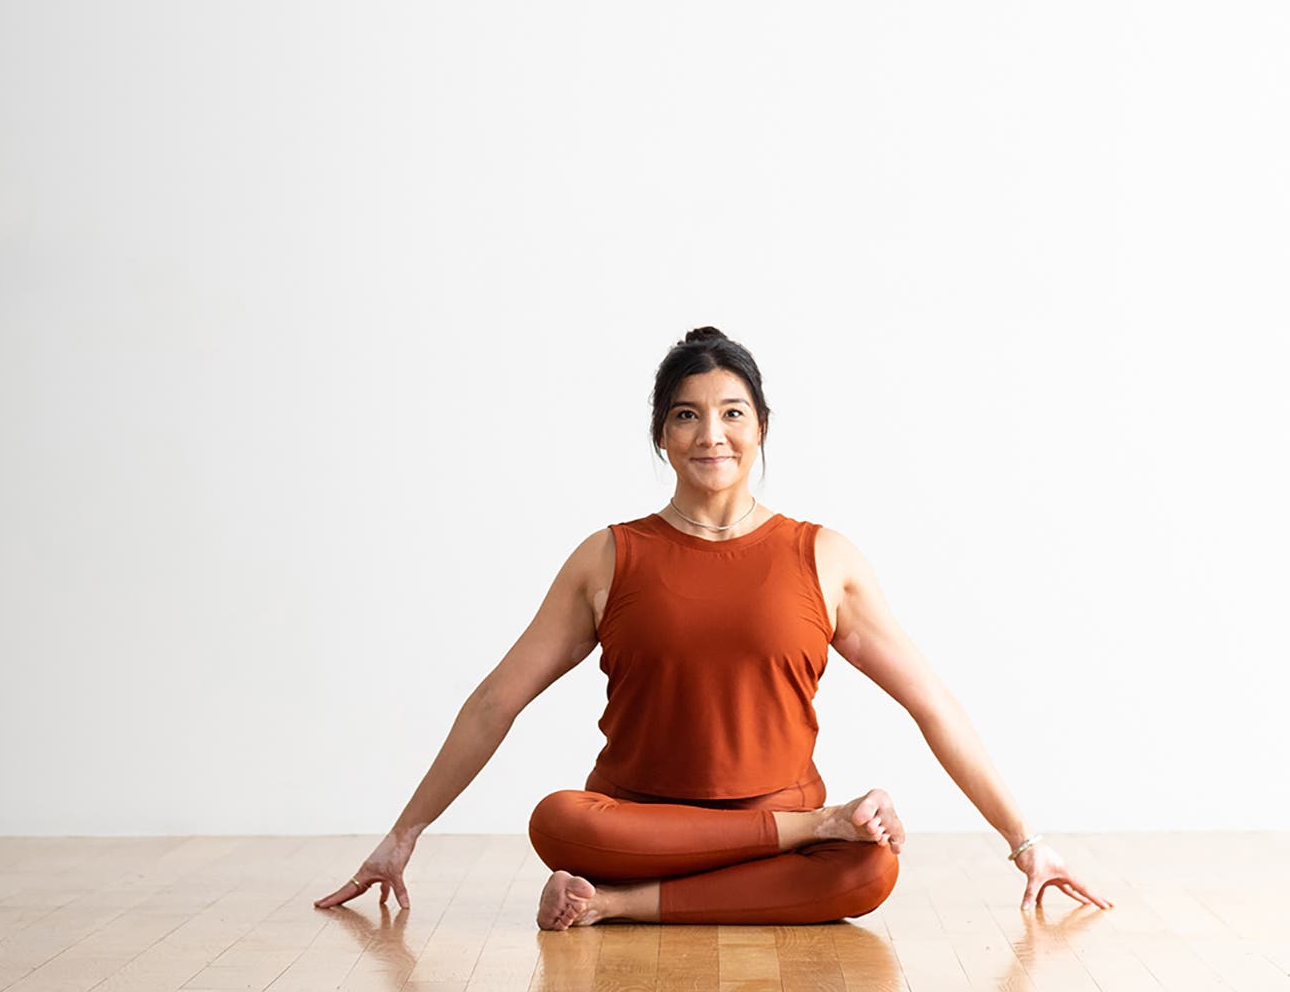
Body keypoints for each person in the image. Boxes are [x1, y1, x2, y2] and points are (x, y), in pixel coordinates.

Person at [314, 327, 1113, 927]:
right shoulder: (608, 556)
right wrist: (401, 836)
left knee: (869, 871)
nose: (711, 435)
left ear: (762, 425)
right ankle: (717, 863)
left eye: (732, 413)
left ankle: (616, 906)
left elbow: (933, 704)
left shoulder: (824, 556)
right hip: (642, 823)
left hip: (779, 817)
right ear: (661, 434)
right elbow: (496, 702)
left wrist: (1025, 841)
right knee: (556, 820)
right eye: (688, 416)